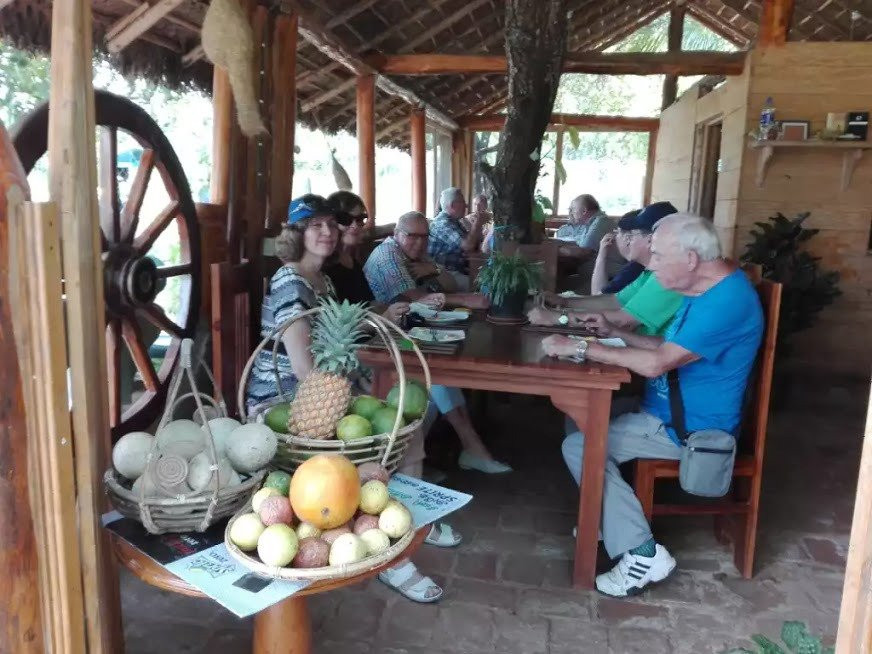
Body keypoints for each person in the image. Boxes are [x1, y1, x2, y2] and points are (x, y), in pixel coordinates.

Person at [540, 213, 764, 597]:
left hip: (689, 430)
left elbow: (658, 363)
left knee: (579, 445)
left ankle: (642, 553)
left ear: (691, 259)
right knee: (578, 424)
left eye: (659, 255)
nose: (652, 263)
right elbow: (669, 350)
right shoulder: (708, 290)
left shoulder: (726, 301)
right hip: (664, 414)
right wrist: (612, 334)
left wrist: (580, 346)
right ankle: (605, 517)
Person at [245, 195, 340, 410]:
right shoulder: (290, 282)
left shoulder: (324, 280)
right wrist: (338, 403)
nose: (328, 231)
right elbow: (303, 367)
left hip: (317, 387)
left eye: (332, 224)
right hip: (280, 397)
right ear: (297, 233)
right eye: (316, 225)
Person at [531, 201, 682, 337]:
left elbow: (624, 321)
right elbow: (614, 300)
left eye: (631, 236)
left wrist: (558, 317)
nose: (627, 241)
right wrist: (564, 302)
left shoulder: (670, 276)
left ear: (652, 240)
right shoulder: (649, 272)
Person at [366, 210, 488, 309]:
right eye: (412, 236)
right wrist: (465, 299)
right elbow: (415, 298)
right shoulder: (387, 254)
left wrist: (433, 269)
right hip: (382, 329)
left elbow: (451, 286)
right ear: (396, 233)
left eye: (424, 236)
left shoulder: (417, 253)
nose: (420, 243)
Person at [555, 194, 624, 291]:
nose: (572, 214)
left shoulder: (601, 222)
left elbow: (584, 251)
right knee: (561, 284)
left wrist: (557, 249)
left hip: (609, 275)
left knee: (560, 287)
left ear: (584, 211)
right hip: (595, 272)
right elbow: (579, 242)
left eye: (573, 210)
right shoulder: (590, 223)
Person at [428, 187, 483, 289]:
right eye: (463, 202)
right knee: (487, 285)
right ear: (453, 205)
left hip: (460, 269)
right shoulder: (442, 223)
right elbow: (468, 246)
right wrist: (477, 223)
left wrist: (475, 225)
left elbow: (475, 243)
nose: (466, 205)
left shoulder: (455, 222)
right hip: (445, 273)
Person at [590, 209, 642, 295]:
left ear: (628, 238)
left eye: (617, 232)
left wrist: (601, 255)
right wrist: (602, 253)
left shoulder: (635, 267)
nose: (615, 237)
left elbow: (597, 295)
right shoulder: (635, 265)